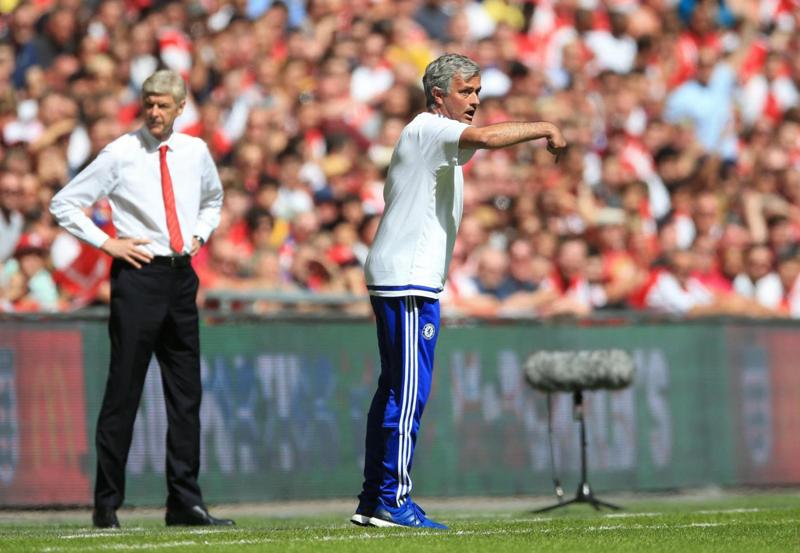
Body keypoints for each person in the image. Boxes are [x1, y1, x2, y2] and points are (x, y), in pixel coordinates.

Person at [353, 53, 566, 529]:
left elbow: (476, 143)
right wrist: (546, 125)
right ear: (438, 95)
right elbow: (489, 137)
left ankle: (374, 498)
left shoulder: (431, 136)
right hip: (407, 278)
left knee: (394, 389)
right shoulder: (430, 127)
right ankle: (393, 499)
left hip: (402, 275)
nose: (474, 101)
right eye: (466, 91)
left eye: (477, 92)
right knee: (409, 393)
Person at [49, 70, 232, 529]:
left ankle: (184, 502)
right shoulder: (120, 153)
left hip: (180, 276)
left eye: (163, 104)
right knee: (123, 393)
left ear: (181, 107)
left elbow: (213, 199)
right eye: (148, 102)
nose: (154, 111)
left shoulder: (195, 152)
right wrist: (106, 242)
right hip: (137, 276)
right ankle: (106, 504)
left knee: (186, 395)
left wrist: (198, 234)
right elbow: (64, 203)